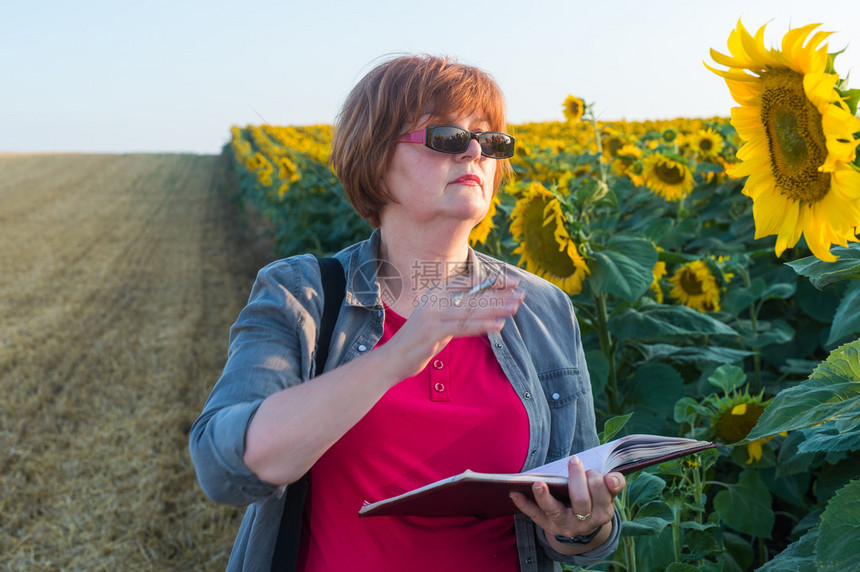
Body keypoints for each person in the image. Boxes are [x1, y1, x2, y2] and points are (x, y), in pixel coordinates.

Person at [189, 54, 625, 572]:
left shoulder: (542, 307)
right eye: (445, 137)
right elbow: (224, 467)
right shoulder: (302, 295)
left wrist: (584, 527)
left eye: (491, 141)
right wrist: (398, 355)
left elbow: (584, 527)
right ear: (375, 158)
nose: (473, 153)